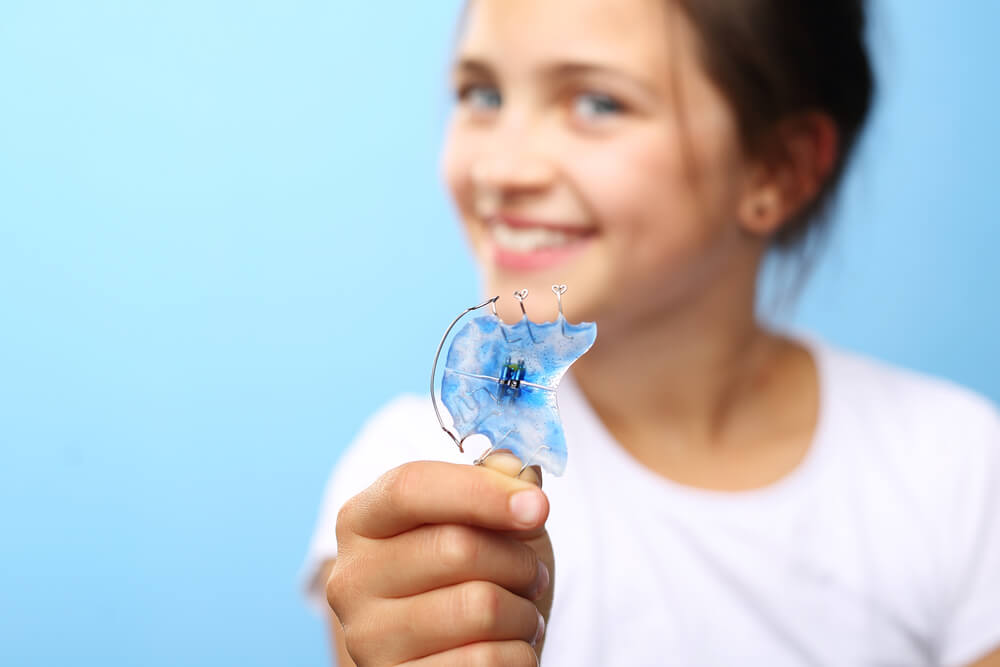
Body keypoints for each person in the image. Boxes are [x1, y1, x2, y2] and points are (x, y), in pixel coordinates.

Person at [302, 0, 1000, 664]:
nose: (501, 169)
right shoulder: (405, 487)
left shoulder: (959, 478)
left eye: (598, 103)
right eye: (482, 94)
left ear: (776, 171)